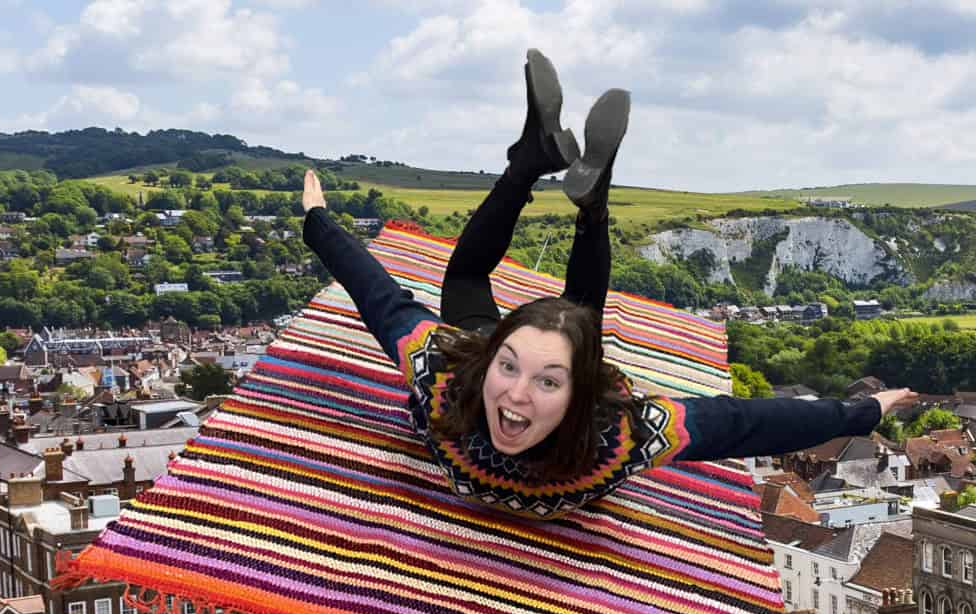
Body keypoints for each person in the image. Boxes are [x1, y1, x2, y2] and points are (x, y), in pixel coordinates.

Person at [301, 51, 914, 518]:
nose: (515, 395)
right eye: (509, 367)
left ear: (579, 394)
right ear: (489, 358)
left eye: (547, 381)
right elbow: (740, 423)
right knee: (568, 318)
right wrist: (858, 412)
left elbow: (383, 300)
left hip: (560, 384)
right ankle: (588, 205)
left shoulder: (462, 384)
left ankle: (532, 159)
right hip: (543, 374)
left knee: (468, 279)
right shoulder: (603, 428)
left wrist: (318, 223)